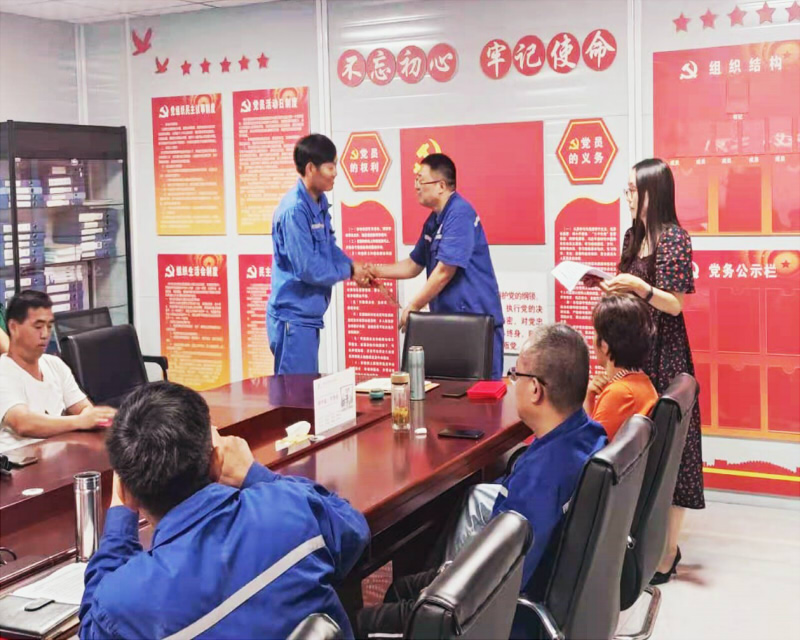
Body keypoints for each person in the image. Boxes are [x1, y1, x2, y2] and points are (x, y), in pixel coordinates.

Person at [355, 324, 608, 638]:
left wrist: (444, 588)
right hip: (527, 588)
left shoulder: (539, 481)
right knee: (401, 588)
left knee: (361, 622)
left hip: (495, 614)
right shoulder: (589, 434)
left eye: (516, 375)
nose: (512, 383)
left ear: (535, 389)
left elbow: (497, 580)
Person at [79, 380, 370, 640]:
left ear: (127, 488)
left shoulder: (124, 601)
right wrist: (254, 474)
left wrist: (120, 523)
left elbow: (94, 624)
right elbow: (353, 533)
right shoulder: (289, 508)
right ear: (216, 459)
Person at [586, 158, 703, 584]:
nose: (628, 197)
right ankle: (636, 538)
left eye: (633, 189)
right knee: (636, 445)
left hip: (666, 353)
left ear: (654, 192)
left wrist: (640, 287)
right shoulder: (632, 236)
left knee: (673, 448)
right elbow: (628, 288)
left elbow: (674, 303)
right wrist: (613, 286)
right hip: (635, 349)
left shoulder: (674, 238)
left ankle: (667, 552)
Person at [366, 154, 505, 379]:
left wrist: (414, 306)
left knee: (481, 397)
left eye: (421, 180)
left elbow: (444, 271)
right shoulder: (434, 220)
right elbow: (413, 265)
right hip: (448, 325)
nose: (416, 186)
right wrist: (374, 270)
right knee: (446, 394)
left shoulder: (460, 212)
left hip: (476, 327)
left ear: (441, 186)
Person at [268, 133, 371, 375]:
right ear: (311, 168)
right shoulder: (295, 211)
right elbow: (309, 268)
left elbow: (328, 248)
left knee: (305, 389)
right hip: (293, 319)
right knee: (296, 393)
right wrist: (350, 271)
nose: (335, 173)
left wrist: (353, 266)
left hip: (307, 318)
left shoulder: (318, 201)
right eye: (330, 167)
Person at [0, 291, 115, 453]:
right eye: (38, 327)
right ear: (13, 327)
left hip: (61, 456)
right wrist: (79, 421)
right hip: (19, 463)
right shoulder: (4, 371)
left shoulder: (55, 364)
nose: (45, 334)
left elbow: (84, 408)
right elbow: (23, 423)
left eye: (49, 326)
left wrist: (91, 417)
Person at [584, 293, 658, 440]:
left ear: (604, 345)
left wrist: (586, 399)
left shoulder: (620, 393)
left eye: (595, 333)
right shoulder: (640, 381)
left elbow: (587, 445)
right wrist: (590, 396)